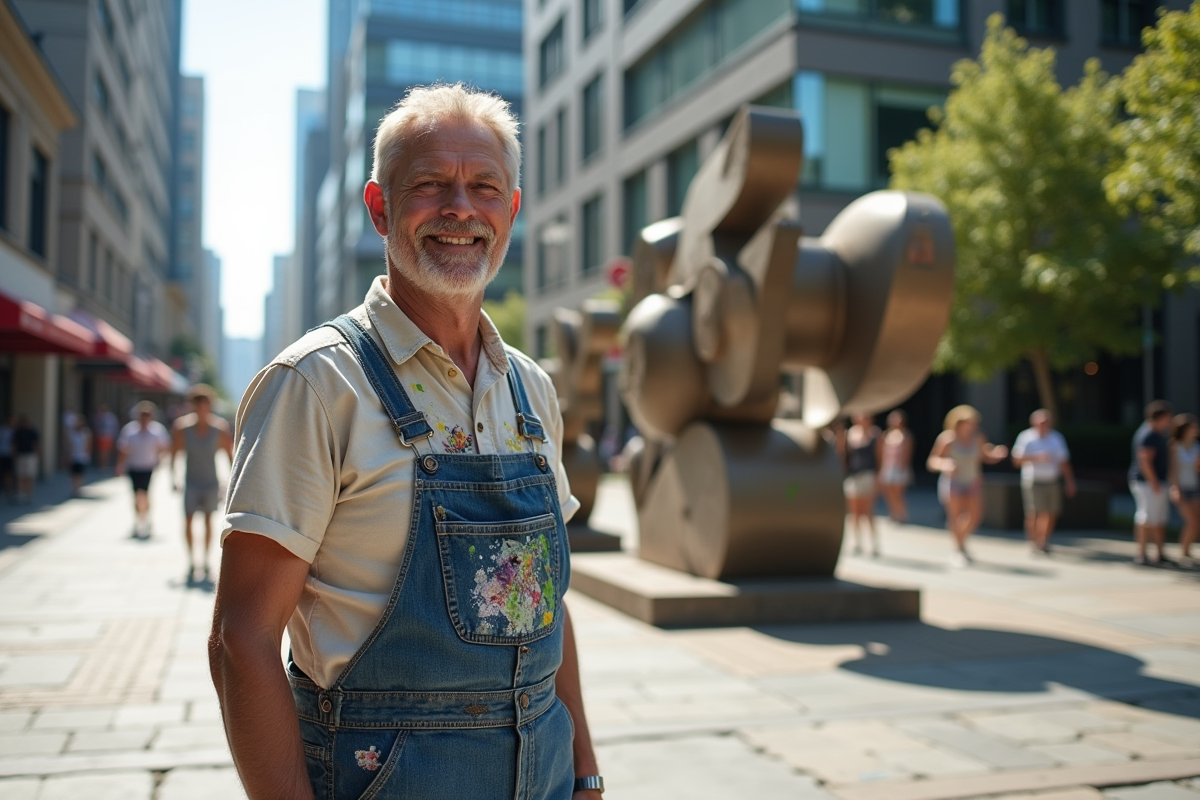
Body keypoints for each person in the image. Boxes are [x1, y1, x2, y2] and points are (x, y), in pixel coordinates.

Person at [209, 84, 601, 800]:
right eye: (430, 185)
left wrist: (587, 769)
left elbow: (548, 606)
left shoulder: (533, 392)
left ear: (510, 211)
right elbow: (241, 641)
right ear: (379, 207)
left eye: (485, 187)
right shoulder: (316, 384)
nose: (460, 208)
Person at [927, 405, 1008, 566]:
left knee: (975, 516)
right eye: (969, 423)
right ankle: (958, 549)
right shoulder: (947, 439)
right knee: (955, 517)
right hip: (953, 482)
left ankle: (961, 542)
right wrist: (945, 464)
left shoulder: (978, 437)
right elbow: (932, 461)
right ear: (959, 423)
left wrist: (996, 454)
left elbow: (986, 455)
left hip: (973, 481)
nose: (972, 426)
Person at [172, 384, 233, 582]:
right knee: (188, 520)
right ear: (192, 406)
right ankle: (191, 560)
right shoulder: (182, 428)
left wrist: (233, 481)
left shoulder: (219, 428)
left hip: (210, 483)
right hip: (191, 482)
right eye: (197, 405)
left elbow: (230, 455)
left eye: (205, 404)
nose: (201, 409)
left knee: (208, 521)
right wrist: (174, 477)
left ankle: (206, 560)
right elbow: (175, 453)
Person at [1011, 409, 1076, 555]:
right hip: (1033, 480)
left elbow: (1064, 461)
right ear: (1033, 423)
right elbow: (1016, 460)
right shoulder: (1026, 437)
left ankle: (1044, 541)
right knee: (1033, 512)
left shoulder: (1056, 438)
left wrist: (1069, 481)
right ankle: (1033, 542)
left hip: (1052, 480)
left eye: (1046, 422)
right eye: (1040, 422)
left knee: (1051, 512)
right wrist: (1036, 458)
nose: (1043, 425)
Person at [115, 401, 171, 538]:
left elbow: (164, 446)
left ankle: (147, 519)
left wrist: (160, 459)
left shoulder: (157, 430)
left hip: (148, 466)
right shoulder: (130, 430)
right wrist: (120, 465)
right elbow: (123, 449)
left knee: (145, 494)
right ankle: (137, 520)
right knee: (136, 495)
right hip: (133, 466)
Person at [1129, 400, 1173, 566]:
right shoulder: (1148, 435)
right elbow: (1144, 460)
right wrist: (1153, 481)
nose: (1169, 422)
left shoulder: (1156, 434)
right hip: (1147, 483)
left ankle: (1159, 553)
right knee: (1146, 518)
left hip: (1156, 482)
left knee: (1158, 519)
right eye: (1168, 418)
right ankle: (1141, 554)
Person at [839, 412, 883, 556]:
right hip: (853, 476)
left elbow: (879, 457)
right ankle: (856, 542)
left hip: (868, 475)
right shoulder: (850, 434)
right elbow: (844, 456)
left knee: (868, 512)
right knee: (854, 513)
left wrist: (878, 478)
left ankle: (873, 543)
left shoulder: (875, 434)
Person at [1168, 412, 1199, 563]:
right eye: (1192, 427)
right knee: (1191, 521)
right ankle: (1183, 553)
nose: (1195, 429)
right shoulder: (1174, 446)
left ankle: (1187, 551)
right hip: (1181, 488)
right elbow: (1172, 470)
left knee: (1197, 522)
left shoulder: (1196, 446)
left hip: (1194, 487)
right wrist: (1175, 488)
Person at [879, 409, 914, 524]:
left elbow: (908, 453)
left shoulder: (906, 435)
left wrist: (903, 468)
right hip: (887, 467)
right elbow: (882, 452)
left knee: (898, 493)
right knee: (889, 493)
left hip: (899, 469)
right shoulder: (886, 435)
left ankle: (902, 513)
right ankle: (893, 513)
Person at [13, 414, 40, 505]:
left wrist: (38, 455)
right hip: (20, 455)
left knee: (29, 476)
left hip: (30, 456)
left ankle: (29, 495)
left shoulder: (32, 431)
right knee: (20, 476)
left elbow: (37, 444)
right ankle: (20, 495)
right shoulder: (18, 432)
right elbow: (15, 444)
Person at [67, 415, 92, 497]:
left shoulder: (86, 432)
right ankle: (74, 489)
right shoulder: (72, 433)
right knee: (74, 474)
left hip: (82, 457)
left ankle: (78, 488)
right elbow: (70, 445)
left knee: (80, 474)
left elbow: (89, 444)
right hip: (74, 456)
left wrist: (86, 454)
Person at [94, 404, 119, 470]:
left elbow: (114, 427)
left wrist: (114, 436)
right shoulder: (99, 416)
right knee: (101, 452)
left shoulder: (111, 417)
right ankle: (102, 465)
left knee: (106, 452)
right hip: (100, 436)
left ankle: (105, 465)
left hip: (108, 436)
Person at [0, 415, 15, 503]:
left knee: (10, 474)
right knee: (5, 474)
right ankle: (6, 491)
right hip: (3, 454)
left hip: (12, 455)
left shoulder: (16, 431)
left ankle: (9, 492)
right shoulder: (2, 430)